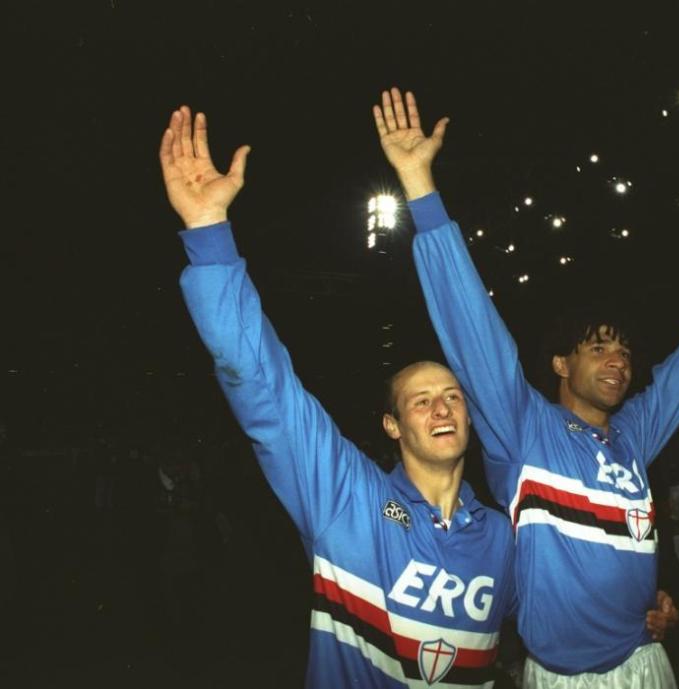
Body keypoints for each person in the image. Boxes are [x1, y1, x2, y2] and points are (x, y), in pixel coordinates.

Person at [373, 87, 679, 687]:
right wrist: (420, 187)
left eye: (623, 350)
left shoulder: (632, 437)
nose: (618, 360)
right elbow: (473, 330)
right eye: (598, 348)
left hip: (644, 662)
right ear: (562, 364)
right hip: (564, 677)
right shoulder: (524, 429)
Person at [159, 105, 516, 688]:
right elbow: (265, 387)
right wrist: (208, 233)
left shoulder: (500, 537)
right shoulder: (346, 499)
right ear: (392, 425)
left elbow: (553, 612)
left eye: (451, 395)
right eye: (420, 400)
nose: (442, 407)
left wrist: (645, 610)